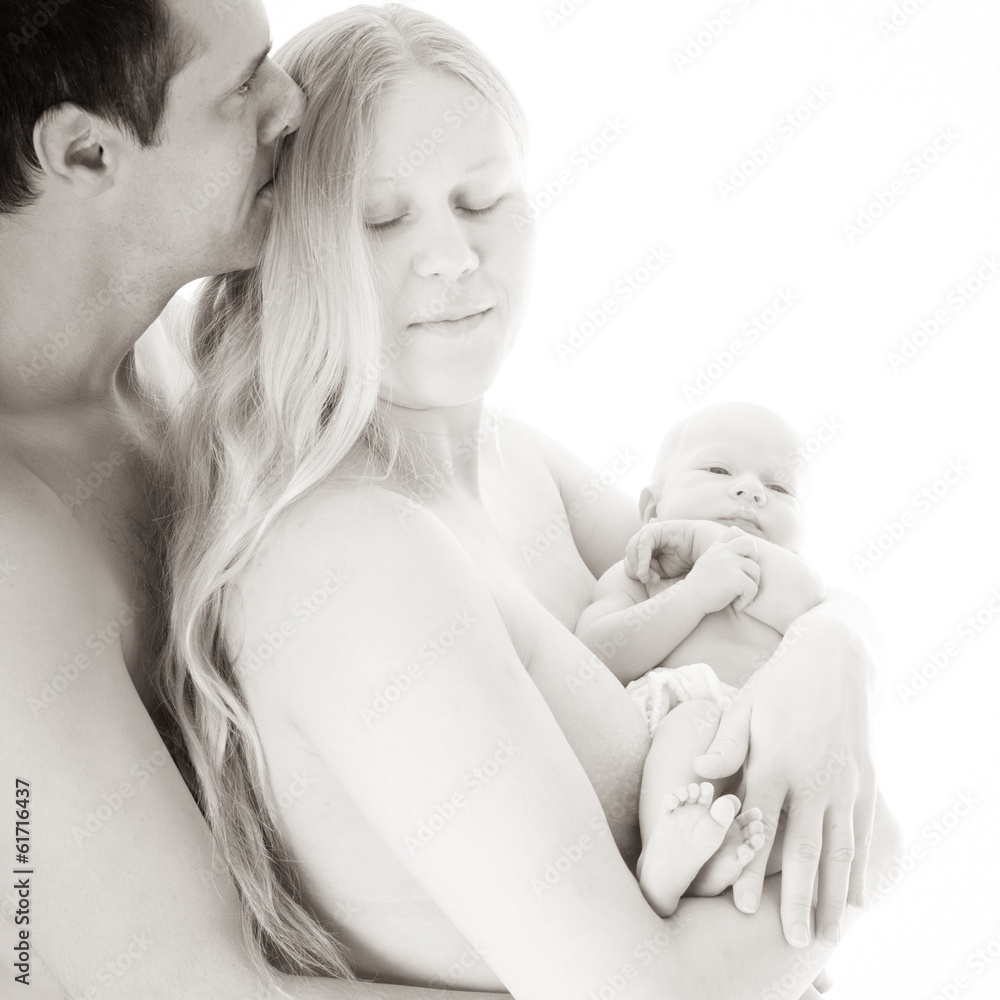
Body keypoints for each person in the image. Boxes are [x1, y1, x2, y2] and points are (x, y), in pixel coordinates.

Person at [160, 7, 901, 998]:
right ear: (292, 246)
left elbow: (761, 585)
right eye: (382, 219)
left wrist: (836, 654)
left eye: (483, 198)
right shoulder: (351, 556)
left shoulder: (507, 455)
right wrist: (874, 847)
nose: (454, 257)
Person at [0, 1, 507, 997]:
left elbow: (511, 527)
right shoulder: (16, 551)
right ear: (86, 151)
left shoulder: (192, 354)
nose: (293, 102)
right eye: (243, 85)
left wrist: (819, 652)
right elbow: (187, 987)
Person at [576, 402, 832, 916]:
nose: (752, 491)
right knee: (697, 723)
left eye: (779, 488)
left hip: (764, 740)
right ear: (653, 508)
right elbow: (594, 656)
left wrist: (717, 544)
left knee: (815, 806)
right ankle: (663, 859)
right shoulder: (643, 573)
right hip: (683, 721)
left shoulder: (787, 581)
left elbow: (812, 610)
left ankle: (717, 873)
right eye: (718, 469)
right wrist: (692, 594)